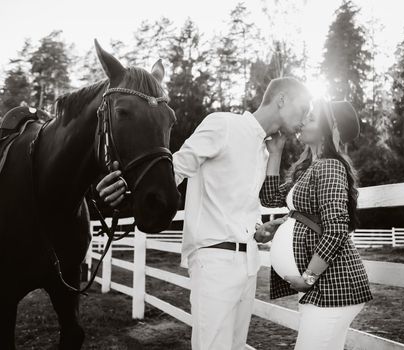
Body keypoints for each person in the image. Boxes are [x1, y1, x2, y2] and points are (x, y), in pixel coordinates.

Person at [96, 77, 312, 350]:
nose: (305, 117)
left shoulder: (265, 148)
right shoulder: (223, 124)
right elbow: (175, 168)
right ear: (282, 99)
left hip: (248, 265)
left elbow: (239, 203)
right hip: (215, 261)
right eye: (303, 108)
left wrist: (258, 229)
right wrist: (126, 190)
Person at [259, 99, 373, 350]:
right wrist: (275, 152)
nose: (302, 121)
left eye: (310, 119)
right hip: (320, 287)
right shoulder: (309, 169)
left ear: (328, 128)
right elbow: (269, 198)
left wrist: (309, 277)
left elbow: (336, 229)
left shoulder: (330, 167)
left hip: (334, 285)